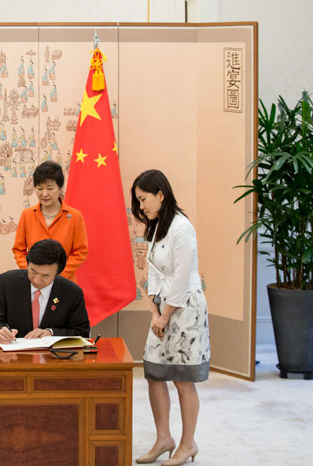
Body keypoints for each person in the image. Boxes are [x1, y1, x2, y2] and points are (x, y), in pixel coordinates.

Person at [131, 169, 210, 465]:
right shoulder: (157, 227)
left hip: (185, 308)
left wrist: (165, 314)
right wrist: (153, 309)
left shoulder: (181, 227)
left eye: (144, 199)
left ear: (161, 195)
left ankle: (188, 444)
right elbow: (152, 271)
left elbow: (179, 277)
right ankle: (164, 438)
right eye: (138, 202)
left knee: (182, 380)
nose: (141, 207)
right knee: (154, 373)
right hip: (162, 309)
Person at [0, 239, 90, 342]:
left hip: (55, 356)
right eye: (33, 271)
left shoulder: (71, 292)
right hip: (14, 355)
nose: (36, 279)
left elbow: (82, 331)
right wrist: (0, 332)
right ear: (28, 263)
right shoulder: (7, 283)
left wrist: (51, 333)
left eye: (45, 276)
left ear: (57, 273)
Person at [12, 161, 88, 282]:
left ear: (60, 188)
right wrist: (33, 272)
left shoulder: (75, 216)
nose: (44, 194)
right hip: (34, 282)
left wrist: (58, 274)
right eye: (40, 188)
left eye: (50, 188)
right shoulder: (27, 215)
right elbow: (18, 250)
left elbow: (80, 252)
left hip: (64, 282)